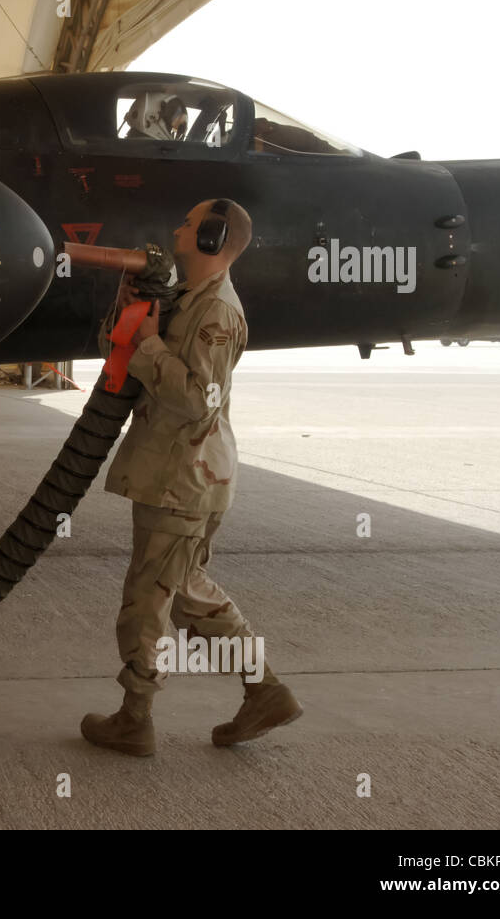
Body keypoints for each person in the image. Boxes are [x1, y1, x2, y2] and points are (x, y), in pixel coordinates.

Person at [83, 199, 302, 756]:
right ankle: (264, 690)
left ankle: (136, 719)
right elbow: (120, 352)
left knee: (148, 600)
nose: (178, 227)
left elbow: (197, 400)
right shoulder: (184, 298)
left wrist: (151, 342)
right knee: (182, 596)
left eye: (188, 222)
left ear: (213, 237)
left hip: (184, 478)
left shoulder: (219, 314)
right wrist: (127, 308)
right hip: (175, 475)